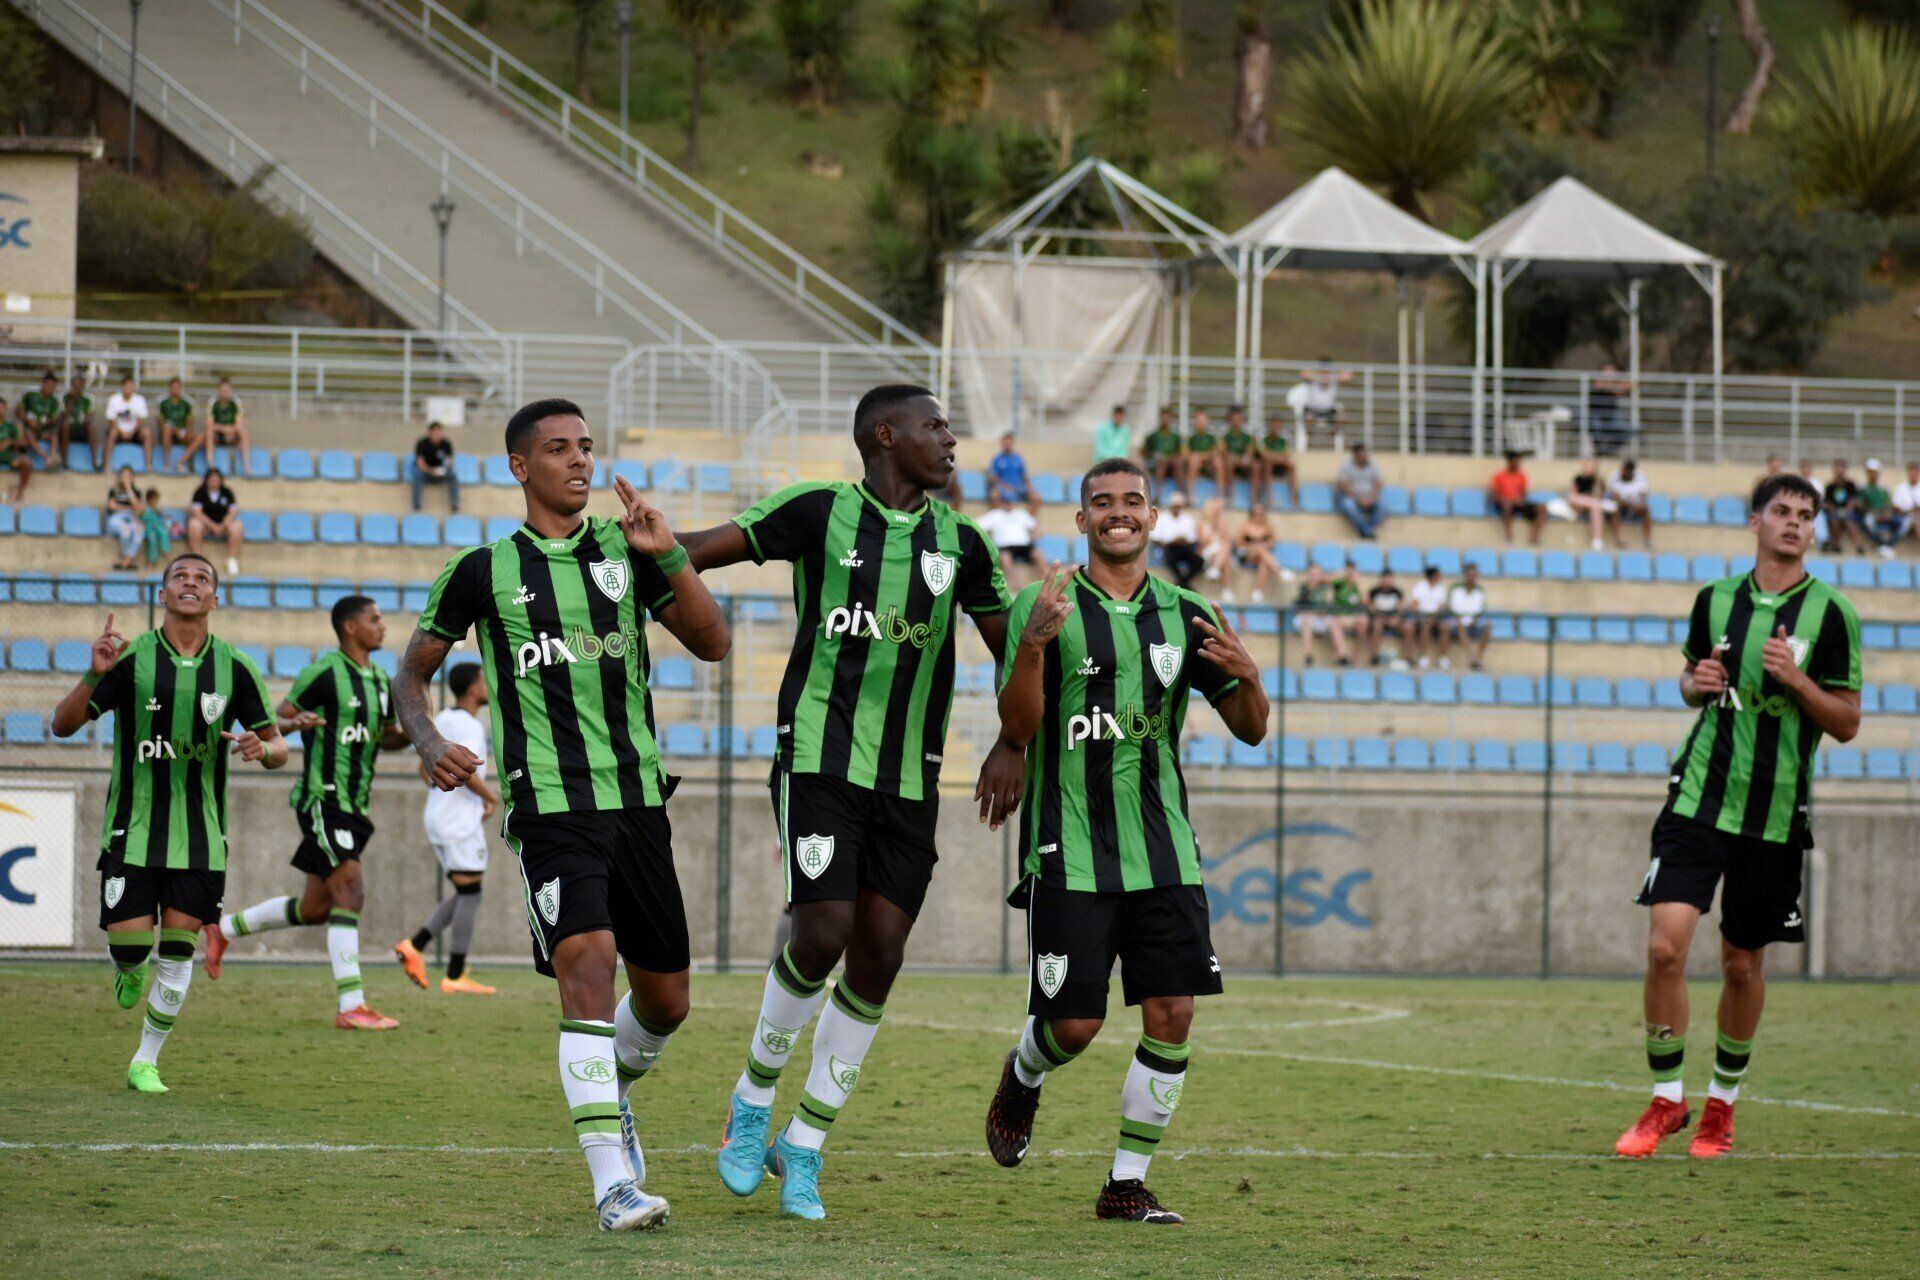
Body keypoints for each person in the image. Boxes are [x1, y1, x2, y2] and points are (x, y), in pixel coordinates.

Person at [673, 383, 1011, 1223]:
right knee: (820, 929)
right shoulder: (818, 511)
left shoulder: (963, 544)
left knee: (881, 953)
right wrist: (638, 543)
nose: (951, 439)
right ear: (886, 436)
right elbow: (700, 552)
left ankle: (807, 1143)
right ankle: (751, 1105)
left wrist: (1015, 741)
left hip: (910, 778)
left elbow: (1016, 656)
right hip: (819, 761)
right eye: (935, 426)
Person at [394, 397, 730, 1232]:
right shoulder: (481, 570)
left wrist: (674, 558)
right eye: (558, 448)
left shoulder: (631, 547)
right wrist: (429, 738)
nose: (579, 460)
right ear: (520, 467)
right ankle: (613, 1184)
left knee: (667, 1002)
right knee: (589, 960)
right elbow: (411, 676)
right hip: (549, 805)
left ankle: (611, 1086)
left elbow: (714, 642)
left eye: (586, 446)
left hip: (639, 800)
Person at [981, 459, 1269, 1225]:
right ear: (1080, 520)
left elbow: (1251, 729)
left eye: (1132, 502)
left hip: (1164, 848)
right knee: (1075, 1024)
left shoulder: (1187, 612)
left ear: (1152, 516)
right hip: (1067, 846)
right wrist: (1036, 647)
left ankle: (1125, 1184)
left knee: (1173, 1012)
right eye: (1102, 503)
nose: (1119, 513)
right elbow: (1017, 727)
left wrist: (1252, 678)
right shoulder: (1041, 605)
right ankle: (1026, 1069)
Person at [1617, 472, 1861, 1160]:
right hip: (1697, 798)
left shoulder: (1833, 614)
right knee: (1665, 945)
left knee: (1740, 967)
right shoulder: (1715, 600)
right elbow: (1693, 682)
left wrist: (1797, 680)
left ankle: (1720, 1109)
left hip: (1775, 815)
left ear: (1813, 530)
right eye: (1781, 511)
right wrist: (1693, 685)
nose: (1793, 523)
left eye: (1805, 515)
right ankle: (1667, 1101)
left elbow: (1846, 722)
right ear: (1756, 522)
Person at [47, 559, 288, 1093]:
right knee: (132, 948)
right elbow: (62, 727)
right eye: (181, 576)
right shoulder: (129, 658)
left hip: (201, 840)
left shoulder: (235, 667)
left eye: (203, 579)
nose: (191, 583)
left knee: (178, 960)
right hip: (131, 833)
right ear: (162, 592)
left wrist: (261, 747)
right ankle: (128, 967)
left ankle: (144, 1061)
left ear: (215, 600)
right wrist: (94, 672)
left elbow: (279, 748)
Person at [204, 596, 411, 1028]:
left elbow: (388, 737)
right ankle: (351, 1006)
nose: (383, 626)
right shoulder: (323, 672)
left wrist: (418, 732)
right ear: (350, 628)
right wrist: (296, 725)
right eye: (374, 619)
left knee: (316, 907)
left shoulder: (379, 680)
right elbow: (279, 718)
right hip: (324, 798)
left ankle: (224, 929)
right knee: (351, 893)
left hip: (356, 805)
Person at [394, 661, 500, 995]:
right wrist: (490, 798)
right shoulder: (467, 725)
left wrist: (446, 795)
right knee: (471, 892)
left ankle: (416, 946)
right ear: (473, 687)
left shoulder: (441, 721)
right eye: (484, 680)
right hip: (457, 821)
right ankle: (453, 974)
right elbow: (469, 772)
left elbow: (424, 769)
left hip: (439, 816)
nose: (487, 685)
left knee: (468, 890)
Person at [976, 491, 1043, 587]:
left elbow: (1036, 528)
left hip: (1024, 546)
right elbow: (977, 526)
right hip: (1005, 547)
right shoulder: (995, 514)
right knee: (1005, 557)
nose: (1008, 503)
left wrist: (1034, 535)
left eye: (1010, 501)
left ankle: (1047, 583)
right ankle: (1018, 585)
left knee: (1038, 554)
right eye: (1006, 501)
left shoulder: (1021, 514)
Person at [186, 468, 244, 578]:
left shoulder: (227, 492)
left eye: (216, 479)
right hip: (206, 526)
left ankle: (232, 560)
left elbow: (232, 512)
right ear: (206, 480)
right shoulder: (200, 492)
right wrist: (212, 526)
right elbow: (197, 512)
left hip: (223, 526)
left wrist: (222, 525)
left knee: (237, 526)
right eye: (211, 479)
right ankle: (198, 559)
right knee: (194, 524)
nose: (214, 482)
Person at [1291, 564, 1353, 666]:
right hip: (1303, 618)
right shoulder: (1302, 587)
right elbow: (1296, 608)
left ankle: (1343, 656)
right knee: (1307, 621)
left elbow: (1326, 608)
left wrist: (1314, 612)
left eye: (1317, 574)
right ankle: (1307, 656)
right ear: (1307, 574)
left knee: (1334, 622)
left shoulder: (1325, 588)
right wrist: (1309, 612)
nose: (1314, 577)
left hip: (1320, 617)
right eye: (1312, 574)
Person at [1149, 490, 1205, 589]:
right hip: (1169, 548)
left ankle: (1181, 582)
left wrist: (1181, 540)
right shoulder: (1162, 518)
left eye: (1179, 506)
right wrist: (1172, 541)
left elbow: (1192, 539)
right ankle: (1184, 583)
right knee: (1170, 558)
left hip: (1184, 549)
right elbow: (1156, 538)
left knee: (1199, 562)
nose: (1177, 508)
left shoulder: (1188, 519)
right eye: (1175, 506)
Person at [1489, 451, 1546, 546]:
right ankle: (1509, 535)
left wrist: (1520, 500)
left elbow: (1524, 493)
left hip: (1518, 504)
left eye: (1519, 462)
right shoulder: (1499, 476)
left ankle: (1534, 538)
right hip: (1503, 504)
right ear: (1510, 462)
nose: (1518, 464)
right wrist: (1506, 499)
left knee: (1542, 507)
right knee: (1506, 504)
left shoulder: (1522, 476)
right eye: (1516, 462)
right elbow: (1494, 494)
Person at [1229, 502, 1282, 604]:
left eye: (1261, 514)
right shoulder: (1245, 527)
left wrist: (1262, 546)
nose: (1258, 516)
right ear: (1251, 514)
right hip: (1245, 555)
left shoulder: (1268, 528)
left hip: (1260, 557)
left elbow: (1273, 543)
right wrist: (1255, 546)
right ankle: (1278, 570)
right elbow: (1239, 545)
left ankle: (1257, 591)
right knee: (1259, 549)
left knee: (1264, 562)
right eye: (1255, 514)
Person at [1335, 443, 1386, 540]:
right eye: (1363, 454)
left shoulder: (1374, 466)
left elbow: (1378, 484)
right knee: (1348, 505)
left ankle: (1366, 529)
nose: (1366, 456)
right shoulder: (1346, 468)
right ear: (1355, 455)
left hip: (1370, 498)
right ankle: (1368, 531)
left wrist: (1372, 499)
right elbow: (1344, 487)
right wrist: (1359, 500)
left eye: (1366, 454)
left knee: (1383, 505)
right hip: (1353, 498)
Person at [1565, 457, 1616, 552]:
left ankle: (1597, 539)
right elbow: (1572, 495)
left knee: (1595, 506)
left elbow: (1599, 496)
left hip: (1592, 505)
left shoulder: (1599, 480)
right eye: (1587, 466)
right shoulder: (1578, 479)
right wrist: (1586, 498)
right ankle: (1595, 503)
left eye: (1591, 466)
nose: (1589, 468)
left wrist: (1596, 483)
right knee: (1585, 501)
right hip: (1579, 504)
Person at [1446, 563, 1490, 670]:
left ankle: (1479, 658)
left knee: (1488, 626)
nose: (1472, 577)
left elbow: (1480, 609)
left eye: (1474, 575)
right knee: (1460, 625)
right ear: (1465, 575)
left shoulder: (1480, 591)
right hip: (1456, 620)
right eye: (1470, 574)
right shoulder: (1455, 589)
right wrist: (1463, 618)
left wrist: (1473, 619)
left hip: (1473, 621)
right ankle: (1471, 659)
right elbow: (1451, 608)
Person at [105, 376, 153, 473]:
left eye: (132, 386)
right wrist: (121, 431)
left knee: (147, 432)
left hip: (134, 432)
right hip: (119, 431)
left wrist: (132, 432)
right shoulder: (113, 399)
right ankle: (107, 465)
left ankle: (148, 465)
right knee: (112, 433)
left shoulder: (140, 399)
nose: (130, 389)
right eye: (127, 386)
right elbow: (112, 420)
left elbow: (140, 421)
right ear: (122, 387)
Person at [1298, 357, 1350, 447]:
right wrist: (1318, 377)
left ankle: (1332, 439)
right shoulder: (1314, 377)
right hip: (1312, 409)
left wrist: (1333, 377)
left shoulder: (1333, 378)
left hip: (1329, 410)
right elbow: (1303, 374)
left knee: (1341, 418)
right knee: (1308, 419)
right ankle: (1309, 442)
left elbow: (1348, 376)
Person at [19, 372, 64, 471]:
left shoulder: (55, 399)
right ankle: (46, 459)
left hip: (43, 428)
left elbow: (54, 418)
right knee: (28, 433)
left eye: (53, 387)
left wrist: (44, 423)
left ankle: (53, 456)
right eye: (49, 386)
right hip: (29, 428)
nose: (51, 389)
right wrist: (28, 420)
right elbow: (19, 411)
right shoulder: (29, 393)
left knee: (54, 435)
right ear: (43, 384)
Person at [1407, 564, 1450, 670]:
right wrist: (1422, 615)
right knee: (1426, 626)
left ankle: (1443, 657)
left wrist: (1433, 617)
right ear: (1433, 576)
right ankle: (1422, 657)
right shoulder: (1420, 587)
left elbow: (1441, 606)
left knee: (1444, 627)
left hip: (1436, 617)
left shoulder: (1441, 588)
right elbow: (1413, 604)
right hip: (1421, 616)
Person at [412, 419, 460, 512]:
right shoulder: (422, 443)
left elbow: (450, 462)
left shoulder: (446, 444)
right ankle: (417, 504)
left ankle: (455, 503)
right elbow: (420, 463)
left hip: (441, 472)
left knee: (453, 475)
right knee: (417, 475)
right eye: (435, 432)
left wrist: (443, 469)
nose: (438, 434)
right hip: (426, 472)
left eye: (440, 432)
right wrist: (431, 471)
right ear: (429, 432)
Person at [1365, 567, 1408, 667]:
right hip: (1378, 618)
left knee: (1408, 628)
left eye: (1390, 578)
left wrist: (1395, 618)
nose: (1388, 581)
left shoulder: (1398, 592)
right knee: (1377, 625)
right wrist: (1381, 617)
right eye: (1385, 578)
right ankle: (1374, 656)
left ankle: (1406, 657)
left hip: (1393, 619)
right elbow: (1370, 607)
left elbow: (1400, 608)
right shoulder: (1373, 592)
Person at [1820, 460, 1866, 554]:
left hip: (1849, 512)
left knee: (1849, 521)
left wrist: (1847, 510)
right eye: (1837, 469)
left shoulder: (1850, 485)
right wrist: (1834, 510)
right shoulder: (1830, 486)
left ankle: (1858, 546)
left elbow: (1853, 500)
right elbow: (1827, 502)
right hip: (1835, 512)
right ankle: (1837, 546)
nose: (1839, 472)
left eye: (1841, 469)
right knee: (1834, 521)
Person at [1857, 460, 1900, 558]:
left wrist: (1887, 514)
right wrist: (1874, 513)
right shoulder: (1864, 489)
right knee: (1868, 521)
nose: (1873, 474)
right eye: (1870, 472)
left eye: (1875, 472)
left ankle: (1888, 545)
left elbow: (1889, 505)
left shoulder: (1884, 489)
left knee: (1902, 522)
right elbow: (1861, 507)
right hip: (1871, 514)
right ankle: (1883, 544)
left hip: (1884, 515)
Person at [1607, 459, 1655, 548]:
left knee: (1646, 509)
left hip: (1635, 505)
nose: (1624, 473)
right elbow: (1615, 497)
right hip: (1622, 505)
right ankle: (1618, 540)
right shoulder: (1614, 476)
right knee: (1617, 508)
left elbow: (1643, 497)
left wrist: (1639, 504)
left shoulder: (1641, 478)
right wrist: (1630, 505)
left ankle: (1649, 540)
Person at [203, 379, 249, 468]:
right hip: (218, 435)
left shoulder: (236, 402)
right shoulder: (212, 402)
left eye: (228, 390)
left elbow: (240, 423)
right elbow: (209, 424)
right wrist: (224, 429)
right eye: (223, 390)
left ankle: (246, 466)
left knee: (243, 432)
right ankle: (210, 464)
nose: (225, 393)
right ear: (219, 390)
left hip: (232, 435)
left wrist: (231, 431)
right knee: (208, 432)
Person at [154, 378, 197, 473]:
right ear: (169, 388)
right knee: (166, 429)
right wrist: (176, 431)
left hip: (183, 432)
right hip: (168, 432)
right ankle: (167, 464)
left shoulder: (188, 402)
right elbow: (160, 422)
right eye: (173, 388)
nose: (175, 390)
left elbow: (190, 421)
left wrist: (185, 432)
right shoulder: (162, 401)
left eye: (178, 388)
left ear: (181, 388)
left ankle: (182, 462)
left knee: (199, 436)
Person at [1590, 364, 1633, 455]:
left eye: (1613, 375)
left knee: (1628, 430)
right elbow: (1599, 385)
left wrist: (1616, 383)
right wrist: (1613, 386)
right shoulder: (1597, 384)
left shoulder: (1614, 385)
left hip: (1611, 417)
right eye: (1607, 374)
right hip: (1596, 417)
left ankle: (1609, 452)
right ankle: (1599, 452)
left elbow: (1629, 385)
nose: (1609, 377)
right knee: (1595, 428)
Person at [989, 432, 1038, 512]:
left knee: (1036, 497)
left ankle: (1029, 521)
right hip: (1003, 488)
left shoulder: (1018, 458)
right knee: (994, 496)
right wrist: (1006, 487)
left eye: (1009, 443)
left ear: (1012, 443)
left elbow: (1024, 475)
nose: (1007, 445)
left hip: (1019, 487)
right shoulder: (997, 458)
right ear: (1002, 444)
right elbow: (993, 478)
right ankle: (1001, 519)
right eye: (1005, 443)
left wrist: (1031, 488)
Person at [1256, 413, 1299, 506]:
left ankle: (1293, 497)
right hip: (1266, 466)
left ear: (1281, 425)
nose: (1275, 426)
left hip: (1280, 464)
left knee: (1292, 465)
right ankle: (1269, 497)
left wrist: (1274, 457)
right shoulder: (1262, 435)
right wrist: (1277, 457)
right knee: (1267, 464)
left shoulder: (1286, 436)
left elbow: (1287, 455)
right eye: (1273, 424)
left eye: (1277, 424)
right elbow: (1263, 455)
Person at [106, 466, 143, 570]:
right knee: (125, 529)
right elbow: (112, 506)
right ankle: (128, 559)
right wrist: (129, 507)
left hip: (131, 517)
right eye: (124, 475)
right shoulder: (114, 491)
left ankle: (127, 559)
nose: (126, 478)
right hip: (116, 517)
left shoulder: (136, 492)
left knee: (139, 529)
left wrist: (128, 489)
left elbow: (138, 507)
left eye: (128, 475)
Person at [1140, 407, 1184, 494]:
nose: (1165, 420)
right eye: (1163, 417)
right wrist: (1153, 455)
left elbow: (1180, 453)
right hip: (1157, 464)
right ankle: (1157, 494)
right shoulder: (1152, 436)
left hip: (1172, 464)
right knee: (1161, 462)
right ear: (1160, 418)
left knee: (1177, 462)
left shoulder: (1175, 436)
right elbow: (1143, 451)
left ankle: (1180, 492)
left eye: (1167, 417)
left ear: (1170, 418)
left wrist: (1171, 458)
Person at [61, 374, 99, 470]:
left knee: (92, 426)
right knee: (65, 425)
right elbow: (62, 417)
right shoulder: (65, 398)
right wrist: (72, 401)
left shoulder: (88, 399)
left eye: (79, 386)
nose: (77, 388)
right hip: (69, 429)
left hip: (82, 430)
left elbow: (90, 416)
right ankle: (65, 461)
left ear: (83, 386)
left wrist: (84, 421)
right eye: (74, 385)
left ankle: (94, 461)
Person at [1219, 406, 1259, 496]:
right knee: (1228, 462)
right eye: (1234, 418)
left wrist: (1246, 458)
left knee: (1256, 465)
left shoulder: (1249, 431)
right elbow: (1222, 450)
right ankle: (1229, 494)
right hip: (1230, 460)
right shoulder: (1223, 431)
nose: (1236, 420)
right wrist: (1233, 458)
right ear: (1230, 418)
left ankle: (1254, 496)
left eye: (1239, 418)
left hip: (1244, 460)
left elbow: (1250, 450)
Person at [0, 398, 34, 504]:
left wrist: (11, 442)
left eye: (2, 407)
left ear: (5, 409)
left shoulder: (10, 425)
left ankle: (19, 491)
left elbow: (23, 443)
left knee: (26, 461)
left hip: (6, 455)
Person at [1184, 409, 1220, 495]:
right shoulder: (1189, 435)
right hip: (1193, 462)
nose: (1201, 422)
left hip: (1208, 461)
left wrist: (1203, 457)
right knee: (1194, 459)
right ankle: (1190, 493)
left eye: (1203, 420)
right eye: (1198, 420)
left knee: (1219, 462)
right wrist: (1196, 457)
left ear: (1208, 421)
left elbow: (1215, 451)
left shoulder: (1212, 436)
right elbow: (1185, 452)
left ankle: (1219, 494)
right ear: (1194, 421)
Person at [1891, 461, 1920, 548]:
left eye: (1916, 472)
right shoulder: (1901, 487)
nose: (1913, 475)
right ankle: (1891, 544)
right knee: (1912, 521)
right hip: (1905, 516)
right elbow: (1896, 506)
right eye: (1912, 473)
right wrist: (1908, 511)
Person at [140, 488, 172, 566]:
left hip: (156, 527)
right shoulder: (144, 508)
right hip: (148, 528)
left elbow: (161, 513)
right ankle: (151, 560)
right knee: (152, 538)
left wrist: (165, 515)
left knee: (164, 532)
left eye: (156, 500)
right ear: (149, 499)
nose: (155, 502)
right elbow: (139, 517)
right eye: (154, 500)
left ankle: (166, 551)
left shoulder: (155, 509)